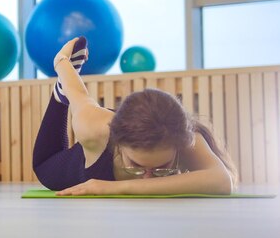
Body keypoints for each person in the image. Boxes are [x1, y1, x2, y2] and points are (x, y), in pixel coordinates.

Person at [33, 37, 236, 196]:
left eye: (161, 169)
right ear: (118, 145)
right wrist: (62, 62)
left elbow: (222, 181)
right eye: (136, 166)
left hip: (140, 125)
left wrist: (117, 187)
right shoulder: (93, 126)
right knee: (43, 167)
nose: (148, 180)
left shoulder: (181, 135)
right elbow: (79, 95)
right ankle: (59, 94)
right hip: (61, 158)